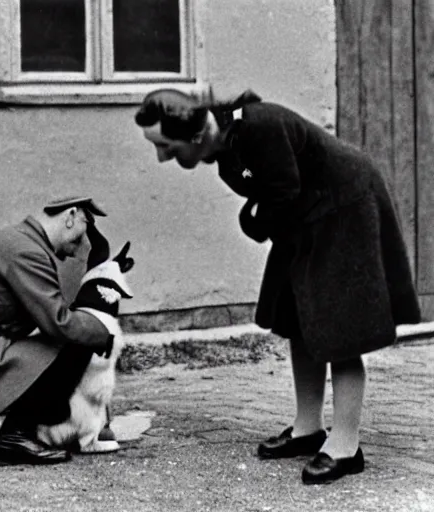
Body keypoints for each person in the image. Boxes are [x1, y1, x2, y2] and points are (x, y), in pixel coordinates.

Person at [134, 88, 421, 484]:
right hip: (303, 217)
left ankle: (345, 446)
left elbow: (281, 193)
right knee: (296, 317)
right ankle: (308, 428)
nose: (163, 157)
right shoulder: (226, 145)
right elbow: (275, 197)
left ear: (197, 135)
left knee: (340, 330)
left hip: (342, 207)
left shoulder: (257, 126)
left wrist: (251, 219)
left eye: (166, 146)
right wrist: (255, 216)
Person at [0, 196, 122, 465]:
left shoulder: (21, 242)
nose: (76, 251)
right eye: (79, 236)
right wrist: (103, 334)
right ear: (70, 216)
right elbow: (59, 322)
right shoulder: (26, 250)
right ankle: (15, 438)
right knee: (75, 342)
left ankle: (22, 429)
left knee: (67, 341)